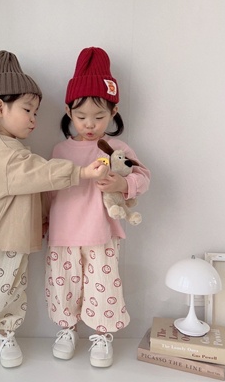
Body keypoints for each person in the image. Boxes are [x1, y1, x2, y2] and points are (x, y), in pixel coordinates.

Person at [0, 50, 109, 368]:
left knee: (13, 289)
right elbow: (38, 173)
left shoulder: (16, 148)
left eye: (36, 112)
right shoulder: (3, 153)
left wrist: (44, 219)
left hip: (17, 238)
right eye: (27, 110)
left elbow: (34, 188)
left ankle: (6, 333)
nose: (34, 119)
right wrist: (80, 172)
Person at [45, 47, 150, 367]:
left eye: (99, 116)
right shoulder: (60, 149)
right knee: (63, 283)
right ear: (68, 111)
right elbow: (48, 191)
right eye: (81, 116)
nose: (89, 124)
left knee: (102, 287)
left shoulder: (117, 148)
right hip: (63, 233)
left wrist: (122, 185)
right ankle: (67, 329)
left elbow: (143, 177)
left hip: (102, 232)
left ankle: (102, 334)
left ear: (114, 111)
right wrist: (43, 222)